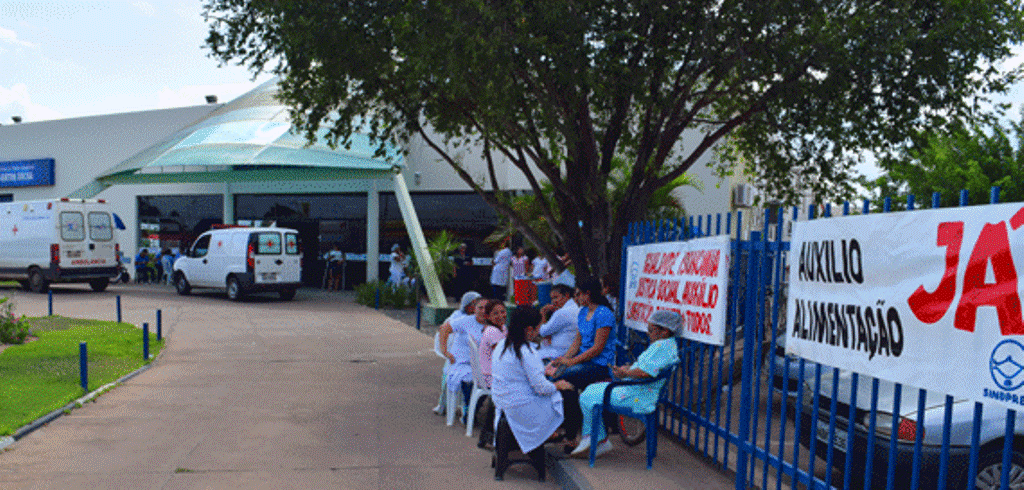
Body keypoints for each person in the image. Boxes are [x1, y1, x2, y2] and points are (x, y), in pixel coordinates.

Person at [569, 310, 682, 458]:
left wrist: (626, 373)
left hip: (637, 395)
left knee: (588, 396)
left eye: (651, 330)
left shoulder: (662, 347)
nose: (648, 334)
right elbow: (646, 369)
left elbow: (646, 372)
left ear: (664, 331)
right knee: (590, 390)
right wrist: (627, 370)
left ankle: (597, 438)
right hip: (635, 389)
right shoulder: (666, 345)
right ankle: (597, 438)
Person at [491, 305, 571, 458]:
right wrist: (556, 385)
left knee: (555, 392)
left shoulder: (502, 345)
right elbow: (541, 387)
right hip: (520, 407)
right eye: (538, 328)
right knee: (566, 394)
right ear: (529, 329)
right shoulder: (526, 351)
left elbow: (519, 374)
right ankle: (558, 436)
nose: (539, 332)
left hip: (503, 401)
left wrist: (541, 371)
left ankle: (549, 433)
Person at [435, 291, 482, 415]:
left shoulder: (483, 321)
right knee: (459, 377)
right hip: (457, 358)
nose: (481, 309)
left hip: (475, 361)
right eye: (477, 305)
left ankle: (470, 407)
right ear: (469, 305)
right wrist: (445, 351)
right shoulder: (459, 316)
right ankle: (447, 405)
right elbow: (443, 329)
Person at [446, 295, 490, 419]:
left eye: (486, 308)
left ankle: (473, 409)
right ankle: (469, 410)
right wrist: (445, 352)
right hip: (464, 363)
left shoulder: (492, 325)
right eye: (480, 308)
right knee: (472, 379)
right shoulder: (464, 320)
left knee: (489, 381)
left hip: (483, 365)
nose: (483, 311)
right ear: (474, 308)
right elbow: (444, 329)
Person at [476, 299, 508, 448]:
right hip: (489, 376)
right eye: (495, 313)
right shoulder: (493, 331)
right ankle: (498, 434)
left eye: (502, 311)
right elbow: (503, 356)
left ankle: (487, 434)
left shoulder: (502, 328)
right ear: (488, 316)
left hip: (491, 373)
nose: (500, 315)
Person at [535, 284, 580, 361]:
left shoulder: (562, 312)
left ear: (566, 295)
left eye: (556, 297)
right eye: (552, 299)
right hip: (568, 350)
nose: (553, 302)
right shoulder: (576, 308)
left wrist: (543, 312)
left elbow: (542, 332)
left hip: (559, 353)